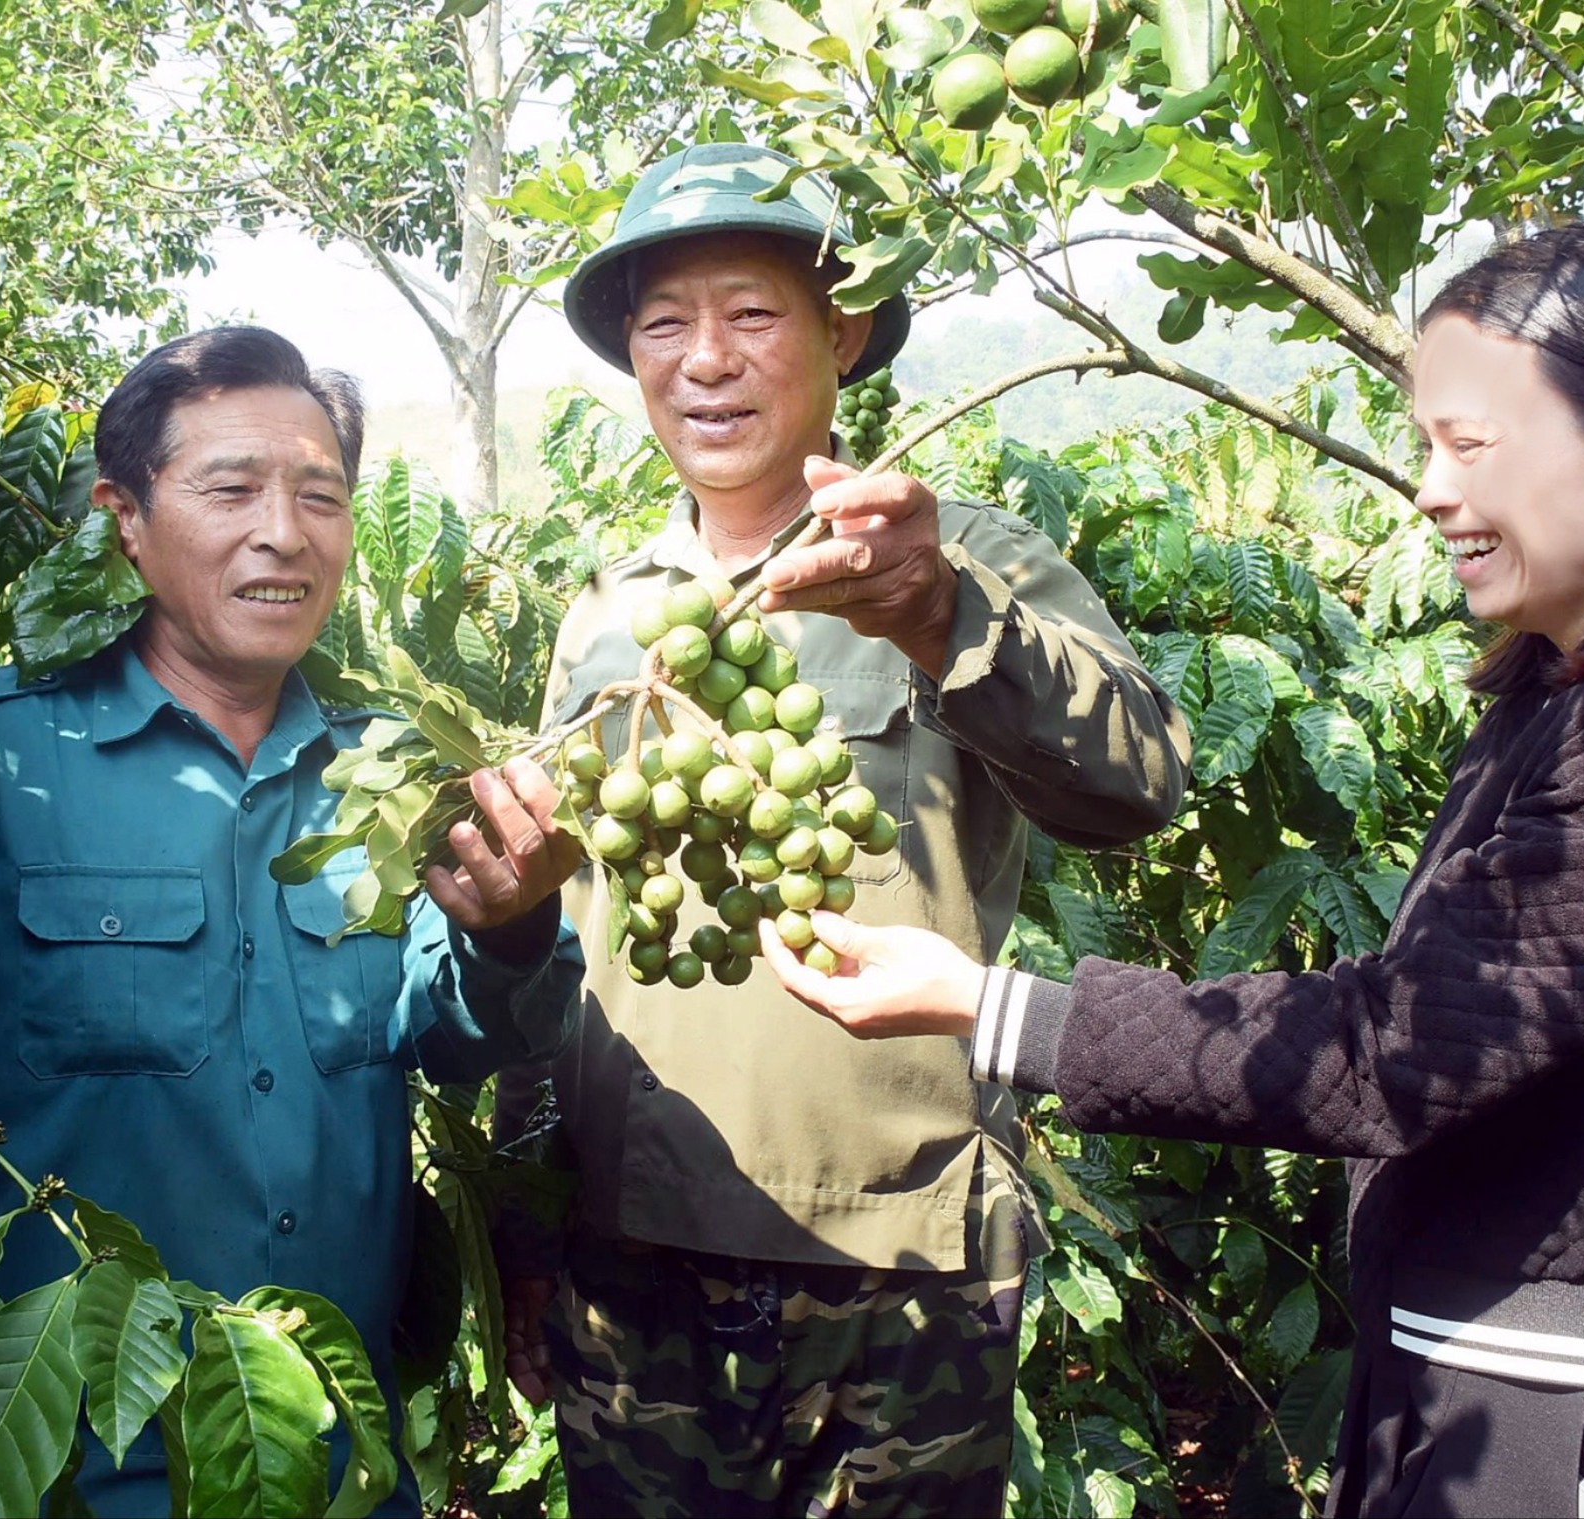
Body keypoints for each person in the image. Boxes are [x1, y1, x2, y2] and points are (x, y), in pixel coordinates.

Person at [759, 222, 1584, 1519]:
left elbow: (1394, 1050)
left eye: (1479, 446)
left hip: (1583, 1410)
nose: (1436, 491)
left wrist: (994, 1006)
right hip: (1493, 1377)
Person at [492, 141, 1194, 1516]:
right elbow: (562, 932)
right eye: (665, 324)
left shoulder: (959, 554)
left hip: (899, 1267)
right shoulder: (604, 614)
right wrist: (526, 1210)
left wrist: (940, 615)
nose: (707, 360)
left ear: (844, 331)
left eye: (751, 315)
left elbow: (1140, 780)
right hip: (631, 1267)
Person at [0, 327, 586, 1517]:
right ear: (126, 515)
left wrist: (513, 929)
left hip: (333, 1469)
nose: (284, 531)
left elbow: (457, 1030)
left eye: (320, 494)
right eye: (232, 488)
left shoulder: (395, 776)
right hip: (46, 1473)